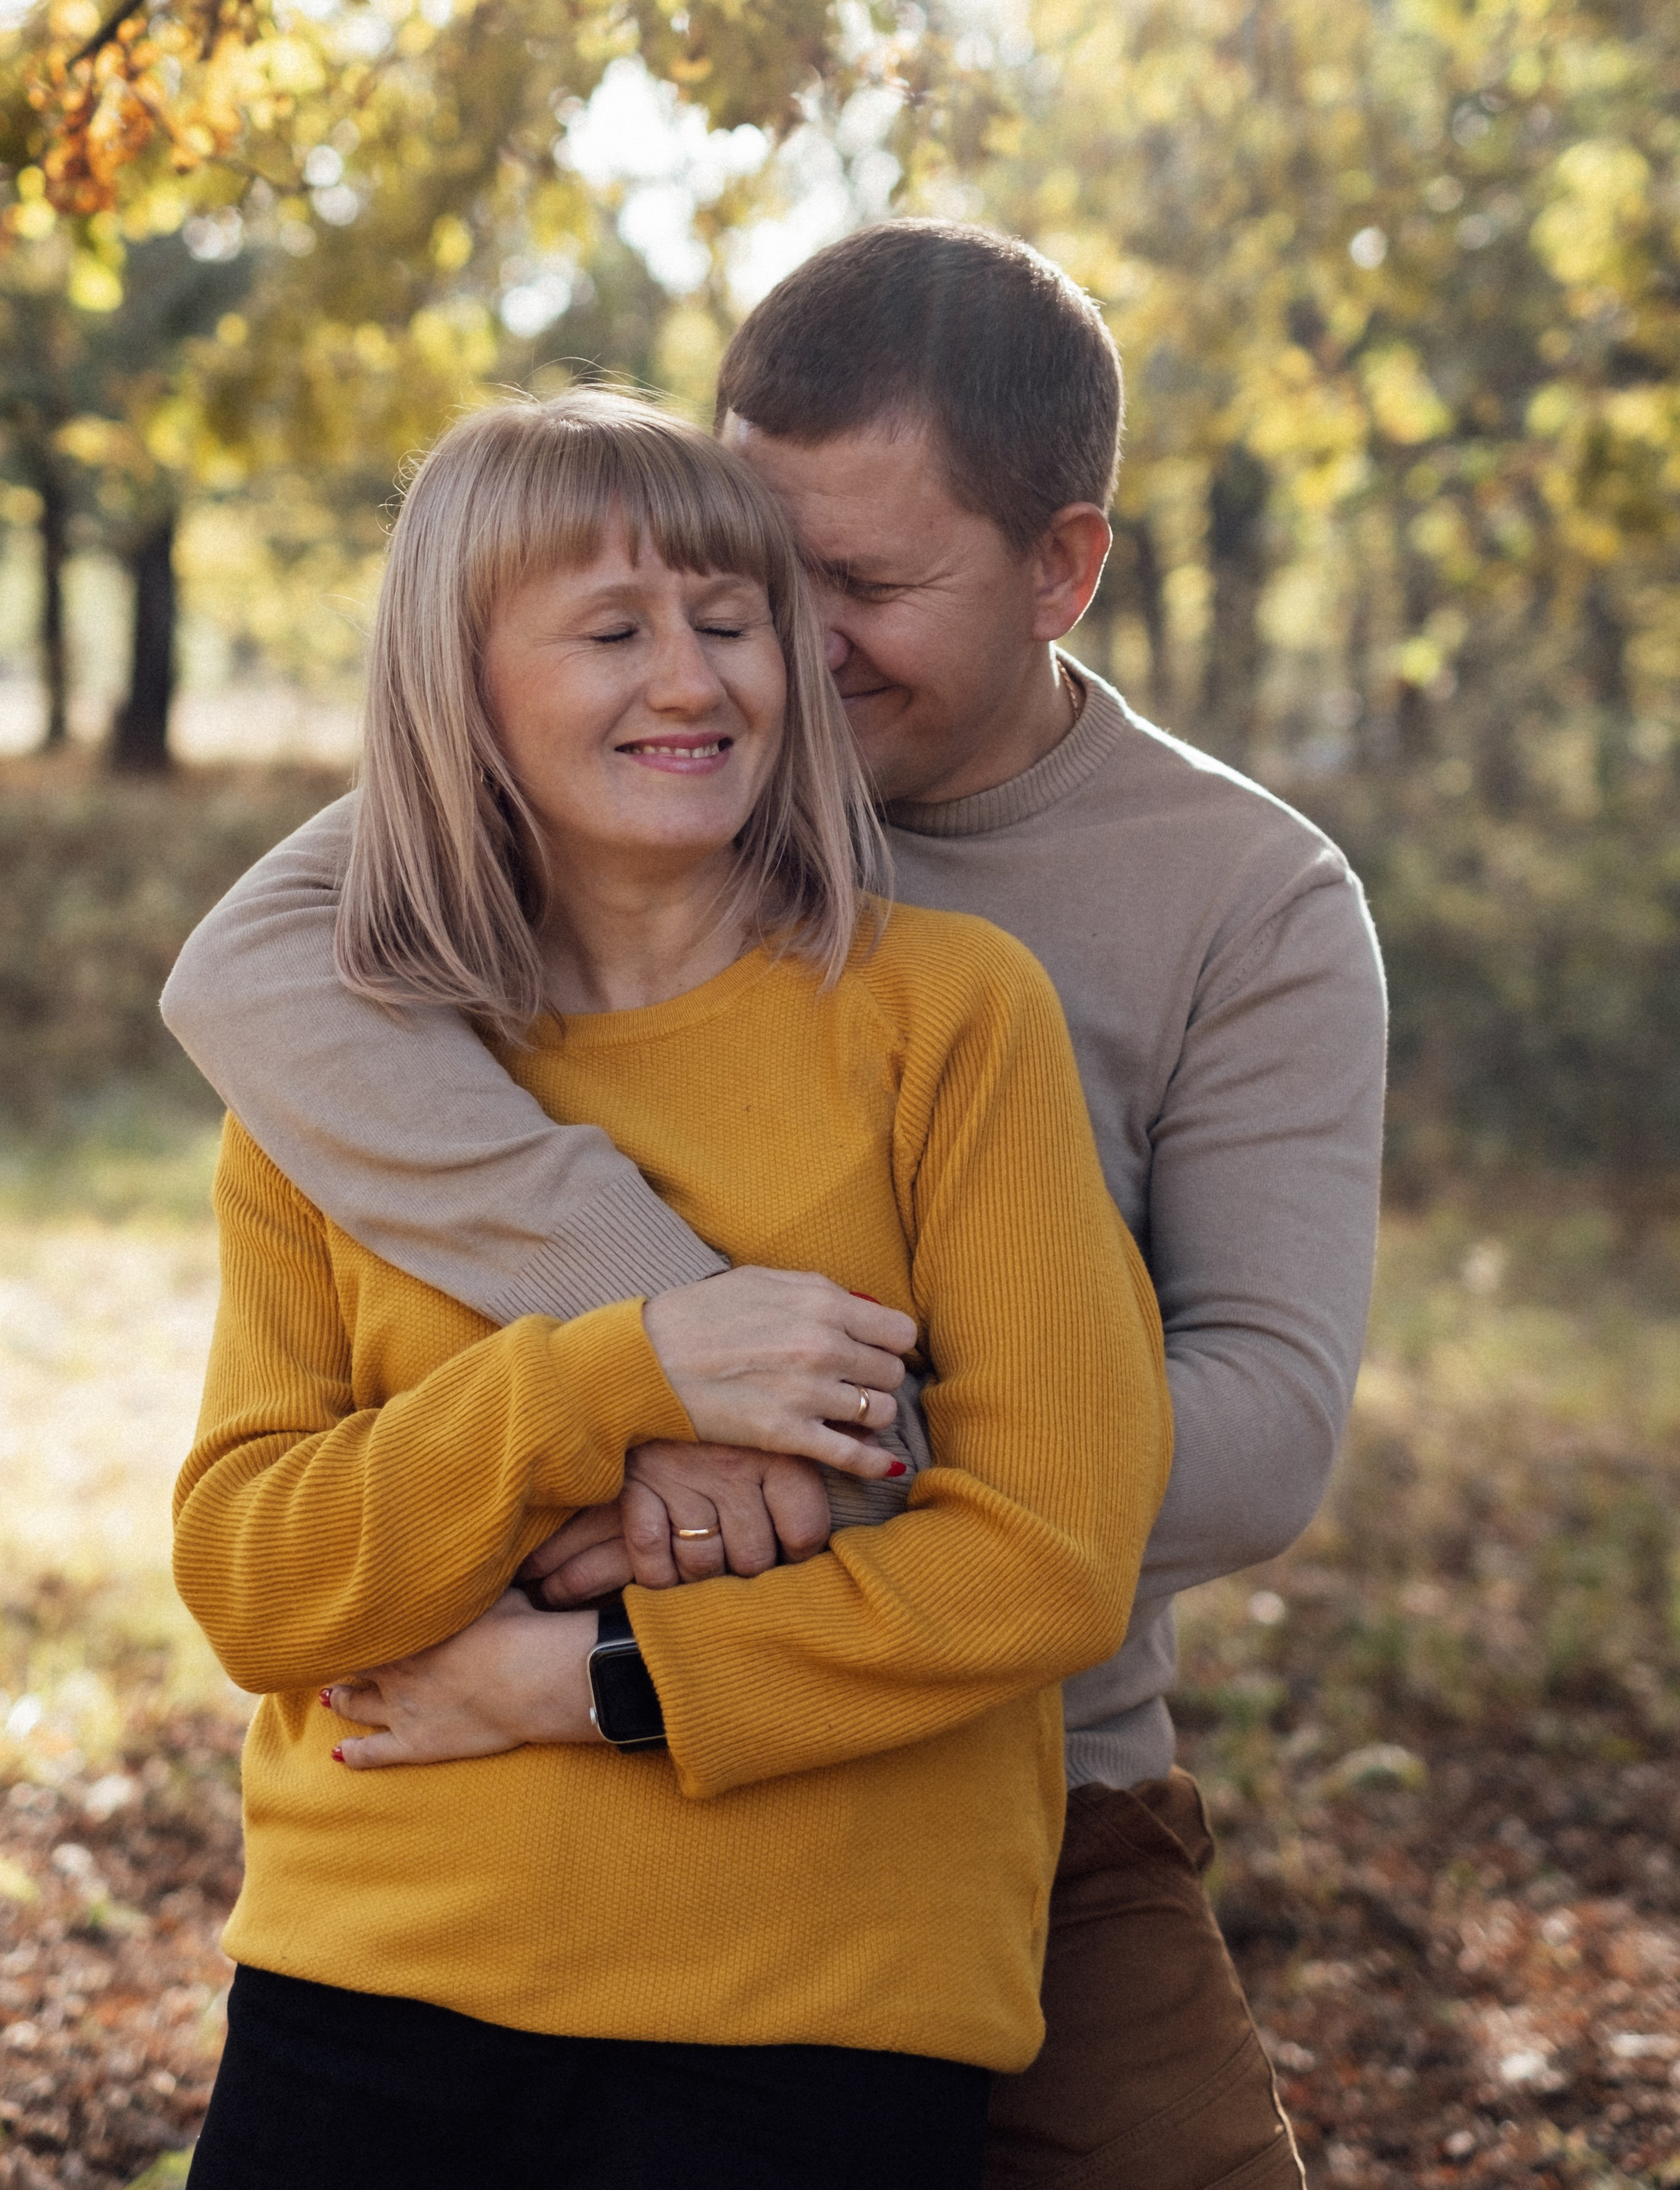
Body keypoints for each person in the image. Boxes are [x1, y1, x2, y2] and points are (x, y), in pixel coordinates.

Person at [164, 220, 1389, 2189]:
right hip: (484, 1860)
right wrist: (672, 1377)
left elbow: (1257, 1435)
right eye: (746, 565)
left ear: (1063, 568)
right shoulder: (607, 768)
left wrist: (814, 1477)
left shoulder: (1238, 903)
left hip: (1031, 1776)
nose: (775, 642)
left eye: (862, 585)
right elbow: (248, 979)